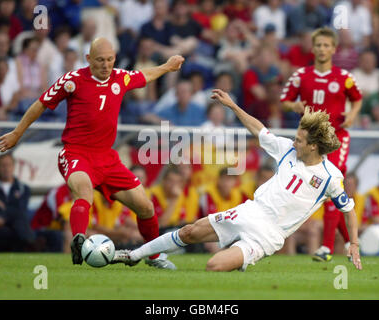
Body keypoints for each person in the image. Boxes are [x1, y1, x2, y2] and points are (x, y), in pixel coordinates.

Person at [111, 89, 363, 272]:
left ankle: (240, 258)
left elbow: (348, 211)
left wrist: (353, 243)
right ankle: (133, 255)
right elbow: (259, 129)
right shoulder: (287, 148)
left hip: (268, 235)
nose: (294, 141)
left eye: (299, 139)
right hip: (250, 211)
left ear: (313, 146)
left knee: (213, 266)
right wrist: (232, 106)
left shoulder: (331, 177)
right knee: (189, 231)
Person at [0, 37, 185, 269]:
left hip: (108, 158)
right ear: (88, 59)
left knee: (145, 207)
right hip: (76, 153)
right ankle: (80, 240)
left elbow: (144, 75)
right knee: (84, 191)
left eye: (110, 60)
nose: (106, 65)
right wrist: (17, 133)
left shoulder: (120, 78)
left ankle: (155, 257)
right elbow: (40, 104)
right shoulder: (72, 81)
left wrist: (168, 66)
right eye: (100, 60)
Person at [280, 27, 363, 262]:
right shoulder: (300, 76)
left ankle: (326, 248)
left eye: (327, 45)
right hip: (311, 142)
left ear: (334, 49)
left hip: (337, 138)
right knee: (329, 192)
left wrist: (354, 114)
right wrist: (293, 106)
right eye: (319, 45)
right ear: (313, 47)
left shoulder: (345, 78)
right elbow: (284, 100)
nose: (322, 49)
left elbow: (357, 99)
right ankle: (349, 242)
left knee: (331, 184)